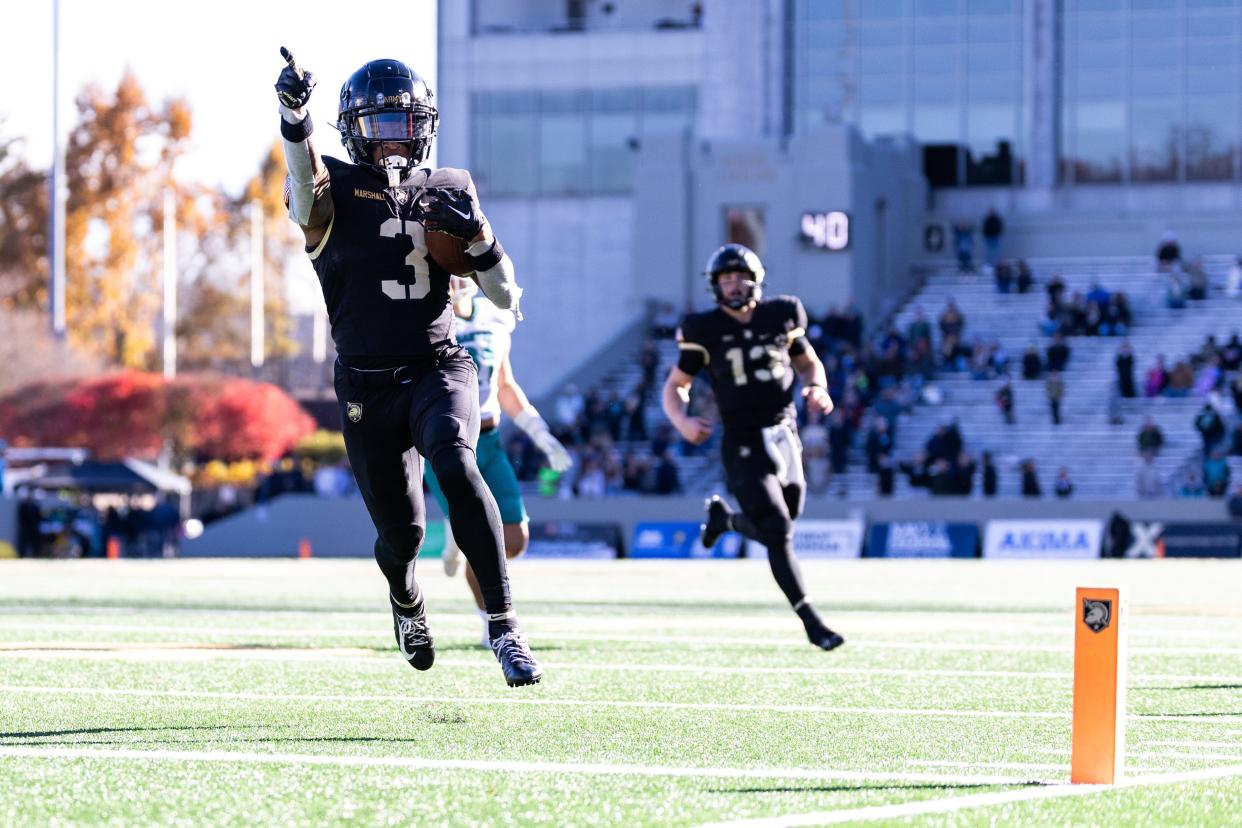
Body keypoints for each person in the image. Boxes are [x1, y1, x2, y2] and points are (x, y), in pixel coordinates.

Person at [274, 51, 541, 686]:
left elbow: (506, 297)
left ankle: (503, 625)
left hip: (438, 364)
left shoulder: (451, 185)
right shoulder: (330, 187)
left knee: (456, 459)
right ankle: (405, 595)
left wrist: (479, 236)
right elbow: (303, 191)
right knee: (404, 533)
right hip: (366, 379)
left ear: (424, 124)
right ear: (353, 129)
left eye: (404, 119)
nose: (394, 133)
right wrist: (294, 118)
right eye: (381, 121)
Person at [662, 243, 844, 652]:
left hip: (784, 432)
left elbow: (808, 361)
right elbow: (676, 385)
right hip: (742, 438)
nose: (733, 285)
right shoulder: (703, 328)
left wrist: (817, 386)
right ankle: (811, 621)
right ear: (715, 286)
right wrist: (682, 420)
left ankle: (725, 522)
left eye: (739, 276)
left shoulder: (782, 314)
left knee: (786, 518)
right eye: (725, 279)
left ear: (756, 279)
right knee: (778, 530)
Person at [430, 276, 572, 646]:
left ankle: (457, 538)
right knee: (480, 540)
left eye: (460, 267)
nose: (456, 277)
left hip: (489, 440)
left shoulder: (494, 317)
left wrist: (542, 435)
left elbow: (505, 385)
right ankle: (490, 621)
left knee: (515, 540)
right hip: (447, 440)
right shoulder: (425, 318)